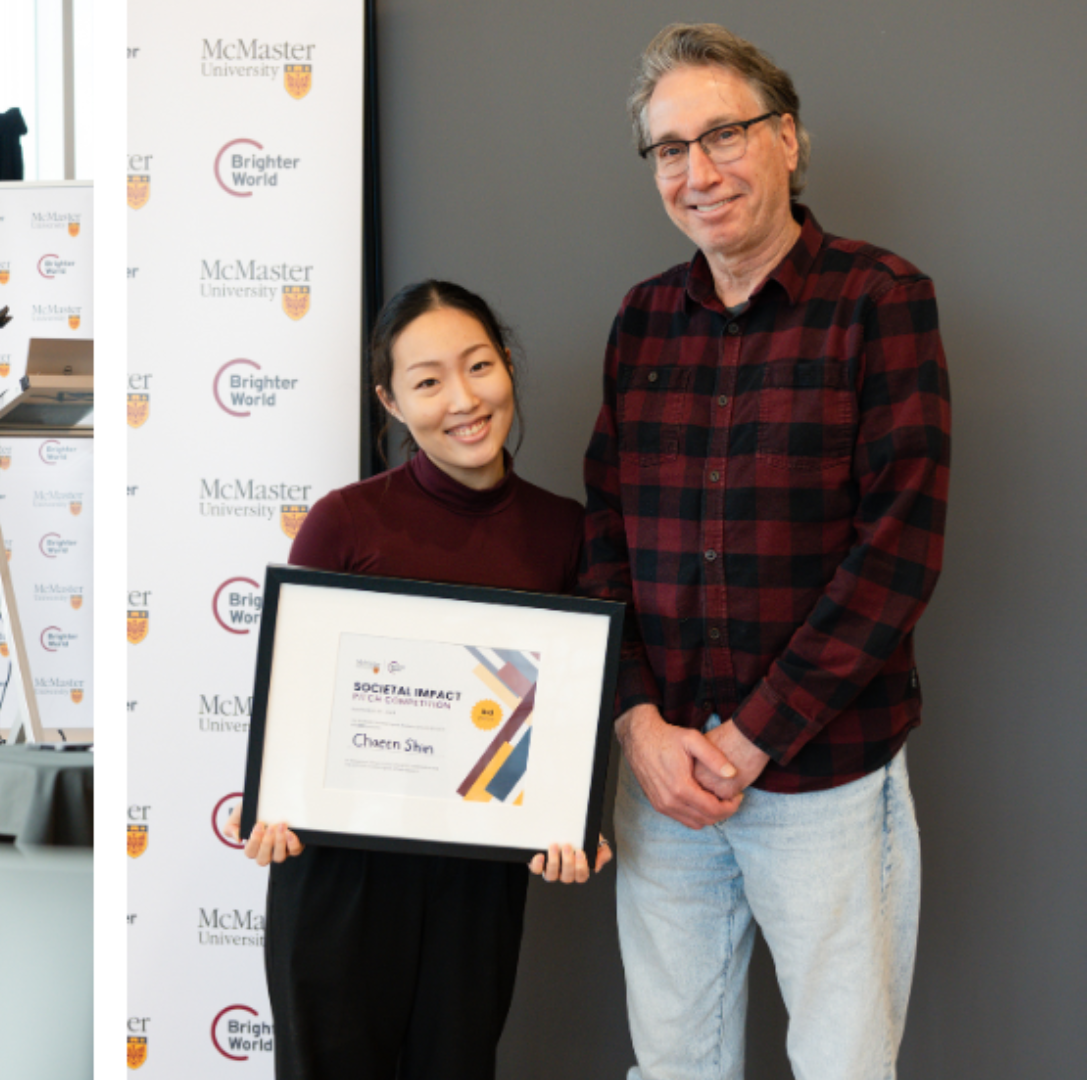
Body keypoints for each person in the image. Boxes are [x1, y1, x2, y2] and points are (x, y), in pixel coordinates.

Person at [582, 24, 951, 1079]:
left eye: (724, 135)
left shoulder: (881, 304)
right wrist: (638, 722)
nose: (697, 172)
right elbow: (603, 531)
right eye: (668, 149)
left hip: (824, 779)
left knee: (844, 1065)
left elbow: (899, 553)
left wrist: (749, 739)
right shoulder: (641, 323)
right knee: (672, 1066)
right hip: (663, 779)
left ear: (787, 138)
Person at [245, 281, 612, 1080]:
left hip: (475, 886)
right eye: (427, 380)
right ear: (391, 400)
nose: (463, 399)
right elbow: (295, 700)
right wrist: (276, 798)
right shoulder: (344, 520)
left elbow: (574, 707)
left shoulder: (564, 532)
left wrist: (575, 812)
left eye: (478, 365)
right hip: (338, 874)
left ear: (507, 364)